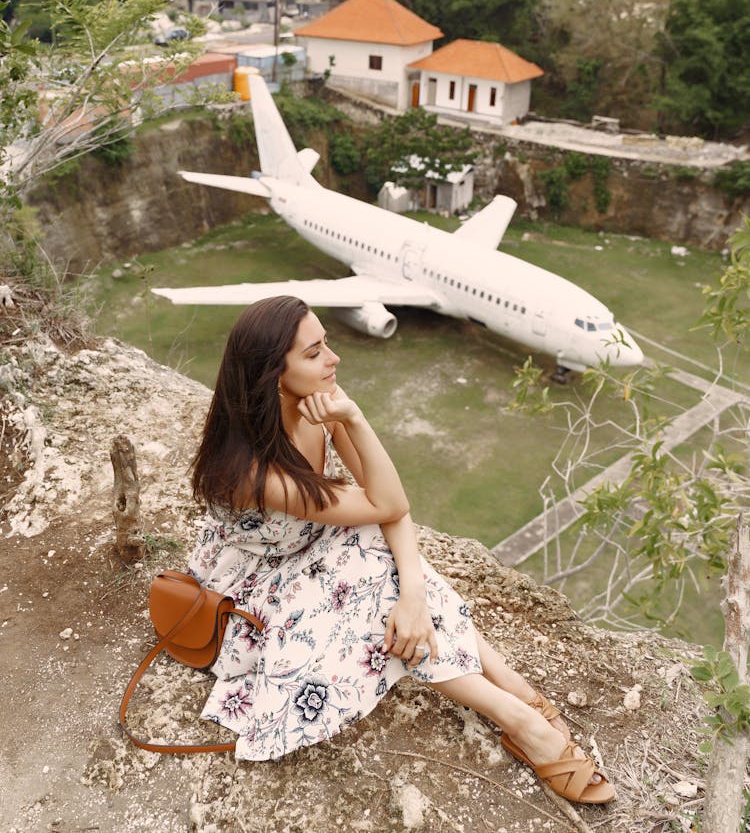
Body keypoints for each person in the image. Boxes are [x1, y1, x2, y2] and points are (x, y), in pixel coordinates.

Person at [188, 296, 615, 805]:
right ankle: (519, 718)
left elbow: (392, 504)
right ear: (272, 374)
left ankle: (507, 683)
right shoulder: (251, 473)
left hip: (312, 540)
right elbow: (388, 502)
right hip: (258, 578)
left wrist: (413, 596)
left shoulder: (320, 403)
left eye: (327, 343)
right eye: (315, 352)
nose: (333, 359)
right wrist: (356, 420)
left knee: (391, 564)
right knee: (372, 572)